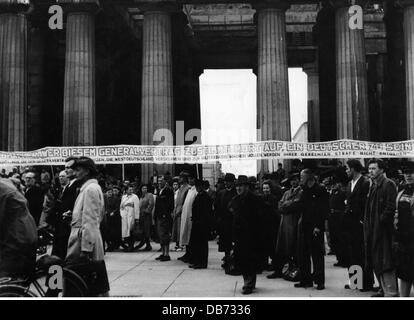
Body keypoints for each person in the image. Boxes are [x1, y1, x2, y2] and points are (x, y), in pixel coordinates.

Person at [66, 157, 109, 296]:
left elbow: (90, 220)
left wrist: (86, 248)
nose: (75, 173)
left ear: (87, 172)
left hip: (83, 243)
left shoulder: (90, 189)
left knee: (86, 285)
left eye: (78, 170)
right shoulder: (89, 188)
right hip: (85, 239)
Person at [364, 158, 398, 297]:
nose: (370, 171)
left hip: (384, 230)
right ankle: (383, 289)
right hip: (373, 228)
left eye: (373, 168)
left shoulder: (388, 184)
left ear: (382, 170)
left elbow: (391, 207)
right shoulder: (373, 184)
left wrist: (381, 222)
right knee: (376, 259)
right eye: (369, 168)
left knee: (386, 260)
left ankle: (391, 292)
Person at [294, 169, 329, 290]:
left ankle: (320, 281)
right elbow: (301, 207)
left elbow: (324, 210)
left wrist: (319, 226)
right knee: (303, 255)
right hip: (305, 226)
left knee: (317, 255)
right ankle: (305, 280)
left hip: (315, 228)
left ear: (309, 177)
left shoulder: (321, 190)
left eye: (301, 177)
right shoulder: (304, 191)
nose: (300, 180)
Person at [343, 159, 374, 292]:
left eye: (347, 168)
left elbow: (365, 204)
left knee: (361, 253)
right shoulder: (350, 183)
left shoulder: (365, 182)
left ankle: (366, 283)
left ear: (354, 169)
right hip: (350, 224)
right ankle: (355, 281)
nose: (346, 171)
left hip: (360, 223)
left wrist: (362, 220)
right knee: (352, 253)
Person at [231, 175, 264, 295]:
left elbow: (260, 218)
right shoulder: (236, 199)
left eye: (241, 186)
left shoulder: (255, 199)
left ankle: (249, 283)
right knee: (243, 260)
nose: (238, 188)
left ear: (246, 187)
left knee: (250, 260)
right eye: (237, 186)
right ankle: (248, 281)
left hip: (252, 235)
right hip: (240, 235)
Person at [0, 178, 37, 278]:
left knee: (5, 280)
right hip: (26, 232)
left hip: (17, 238)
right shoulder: (5, 182)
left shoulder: (2, 189)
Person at [268, 173, 302, 279]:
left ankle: (294, 270)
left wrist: (286, 205)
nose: (293, 182)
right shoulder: (287, 192)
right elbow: (280, 205)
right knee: (282, 248)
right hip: (284, 223)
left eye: (295, 180)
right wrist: (287, 204)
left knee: (293, 247)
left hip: (294, 222)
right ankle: (279, 270)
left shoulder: (301, 192)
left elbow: (296, 204)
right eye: (292, 180)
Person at [394, 165, 414, 297]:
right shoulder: (401, 190)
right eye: (406, 173)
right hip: (403, 239)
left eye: (412, 173)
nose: (408, 175)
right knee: (404, 274)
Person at [188, 179, 212, 269]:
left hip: (202, 224)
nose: (197, 188)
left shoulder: (205, 197)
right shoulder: (199, 195)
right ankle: (197, 261)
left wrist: (202, 221)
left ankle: (202, 263)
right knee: (196, 244)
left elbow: (206, 212)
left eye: (198, 186)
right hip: (196, 223)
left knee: (202, 245)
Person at [214, 173, 237, 268]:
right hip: (223, 222)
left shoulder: (235, 192)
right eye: (226, 182)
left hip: (233, 221)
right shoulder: (221, 193)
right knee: (225, 244)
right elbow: (216, 206)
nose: (227, 183)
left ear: (233, 182)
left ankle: (233, 260)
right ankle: (227, 258)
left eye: (229, 182)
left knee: (233, 242)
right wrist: (218, 220)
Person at [261, 180, 281, 271]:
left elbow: (276, 212)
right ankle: (264, 263)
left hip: (272, 225)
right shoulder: (260, 198)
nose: (265, 190)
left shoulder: (274, 198)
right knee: (264, 246)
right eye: (264, 188)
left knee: (272, 246)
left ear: (270, 189)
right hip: (263, 225)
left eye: (267, 188)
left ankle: (274, 264)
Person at [154, 176, 174, 261]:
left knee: (165, 235)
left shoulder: (168, 190)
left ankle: (167, 254)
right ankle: (162, 252)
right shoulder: (159, 191)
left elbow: (170, 204)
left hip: (164, 216)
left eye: (161, 181)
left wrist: (166, 214)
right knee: (160, 235)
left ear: (165, 182)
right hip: (158, 215)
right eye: (158, 181)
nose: (159, 183)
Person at [328, 181, 348, 267]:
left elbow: (345, 204)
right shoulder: (332, 193)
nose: (333, 186)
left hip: (339, 217)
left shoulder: (343, 193)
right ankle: (339, 258)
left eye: (335, 184)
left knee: (341, 239)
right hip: (332, 217)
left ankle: (344, 260)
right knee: (335, 239)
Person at [178, 174, 198, 262]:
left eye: (192, 179)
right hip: (185, 215)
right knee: (185, 235)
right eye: (189, 179)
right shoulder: (189, 190)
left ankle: (191, 254)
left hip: (190, 216)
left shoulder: (196, 191)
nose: (190, 181)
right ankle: (187, 253)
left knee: (190, 236)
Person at [172, 172, 190, 251]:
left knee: (182, 229)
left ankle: (182, 245)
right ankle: (178, 243)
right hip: (177, 210)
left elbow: (185, 202)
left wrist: (180, 210)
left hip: (182, 211)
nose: (179, 179)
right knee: (177, 229)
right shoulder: (180, 188)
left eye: (181, 177)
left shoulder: (187, 188)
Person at [120, 185, 140, 252]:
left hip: (131, 216)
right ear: (126, 190)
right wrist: (122, 214)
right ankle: (128, 246)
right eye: (129, 189)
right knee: (126, 232)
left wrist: (137, 218)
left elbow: (137, 208)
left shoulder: (135, 197)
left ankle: (131, 246)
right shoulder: (123, 197)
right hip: (124, 217)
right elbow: (121, 207)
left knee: (131, 232)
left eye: (132, 189)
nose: (131, 191)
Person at [136, 184, 154, 251]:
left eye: (146, 188)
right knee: (143, 230)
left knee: (147, 230)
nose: (145, 189)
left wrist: (147, 211)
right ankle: (147, 244)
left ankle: (148, 245)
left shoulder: (150, 195)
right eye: (143, 188)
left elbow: (151, 204)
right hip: (141, 216)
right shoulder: (141, 197)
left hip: (147, 215)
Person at [104, 187, 122, 251]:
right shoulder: (104, 199)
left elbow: (117, 207)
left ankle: (113, 246)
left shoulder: (115, 199)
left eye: (111, 192)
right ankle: (109, 245)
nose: (110, 193)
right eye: (108, 192)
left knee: (113, 233)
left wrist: (113, 212)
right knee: (106, 232)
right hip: (106, 217)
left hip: (113, 218)